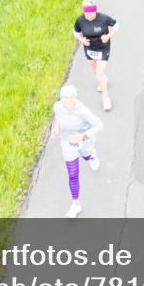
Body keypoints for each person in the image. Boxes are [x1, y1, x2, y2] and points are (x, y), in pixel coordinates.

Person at [50, 84, 103, 219]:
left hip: (83, 141)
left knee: (86, 156)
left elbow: (99, 125)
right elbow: (58, 118)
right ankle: (76, 204)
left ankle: (92, 156)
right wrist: (55, 128)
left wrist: (83, 136)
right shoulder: (58, 107)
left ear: (75, 97)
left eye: (71, 98)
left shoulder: (82, 111)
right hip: (67, 143)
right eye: (65, 98)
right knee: (73, 174)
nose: (68, 101)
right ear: (61, 98)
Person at [73, 0, 118, 111]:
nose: (90, 15)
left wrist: (108, 36)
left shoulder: (103, 18)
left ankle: (105, 97)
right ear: (84, 12)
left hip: (103, 48)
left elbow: (117, 25)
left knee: (98, 75)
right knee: (97, 72)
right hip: (89, 49)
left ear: (95, 11)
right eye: (87, 12)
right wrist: (81, 39)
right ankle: (103, 79)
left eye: (92, 12)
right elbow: (75, 32)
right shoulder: (80, 20)